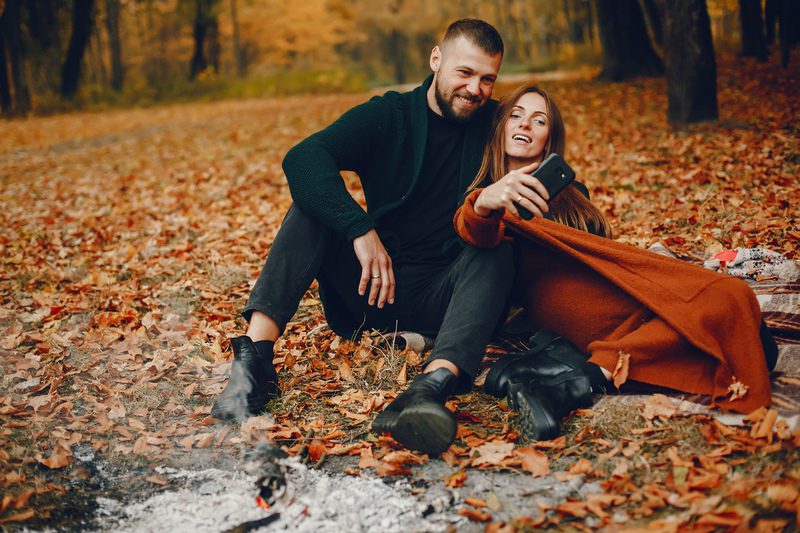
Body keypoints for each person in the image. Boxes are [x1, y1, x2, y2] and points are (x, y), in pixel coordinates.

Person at [212, 19, 513, 456]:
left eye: (488, 78)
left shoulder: (496, 123)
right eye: (464, 73)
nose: (475, 89)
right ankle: (253, 364)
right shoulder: (388, 116)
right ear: (436, 60)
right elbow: (304, 158)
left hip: (446, 297)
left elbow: (548, 166)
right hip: (373, 290)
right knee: (311, 208)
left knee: (495, 251)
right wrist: (359, 226)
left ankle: (431, 386)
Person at [454, 85, 778, 440]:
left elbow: (602, 248)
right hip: (561, 297)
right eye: (515, 115)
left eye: (539, 120)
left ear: (549, 140)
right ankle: (568, 375)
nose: (525, 124)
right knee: (730, 300)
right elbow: (474, 231)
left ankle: (568, 386)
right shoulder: (487, 193)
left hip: (605, 283)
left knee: (759, 345)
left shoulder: (572, 195)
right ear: (499, 127)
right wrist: (485, 201)